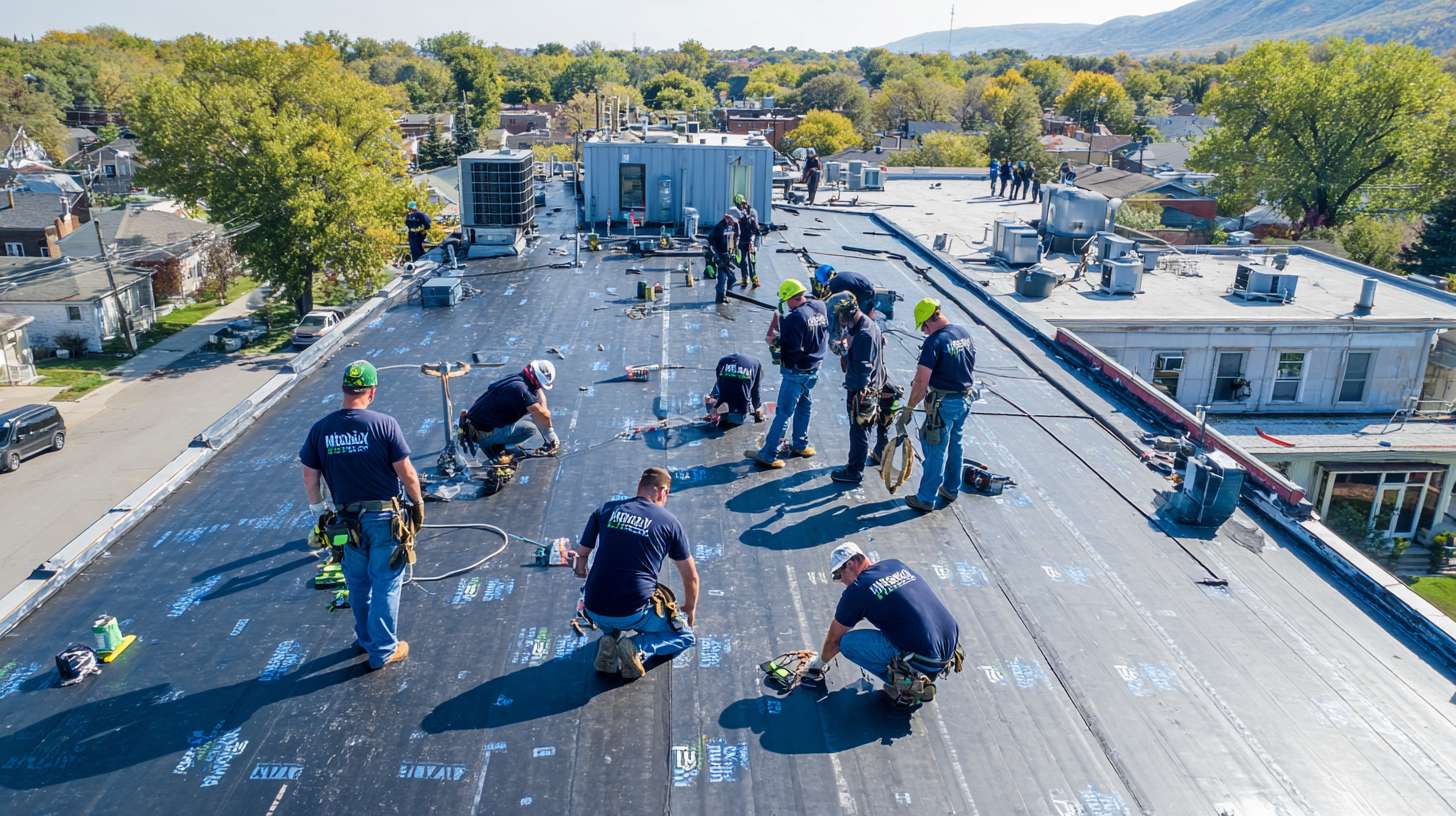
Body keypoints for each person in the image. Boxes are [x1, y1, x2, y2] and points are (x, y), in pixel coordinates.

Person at [299, 360, 424, 670]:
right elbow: (406, 473)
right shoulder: (384, 424)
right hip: (384, 519)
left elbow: (309, 477)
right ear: (372, 391)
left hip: (345, 522)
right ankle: (383, 650)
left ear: (344, 389)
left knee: (357, 582)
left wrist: (319, 512)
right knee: (386, 582)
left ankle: (366, 637)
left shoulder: (321, 429)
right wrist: (418, 503)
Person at [573, 467, 700, 680]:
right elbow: (691, 577)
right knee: (685, 635)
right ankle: (637, 647)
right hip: (632, 612)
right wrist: (690, 609)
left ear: (639, 487)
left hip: (593, 607)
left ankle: (610, 639)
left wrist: (581, 567)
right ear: (662, 492)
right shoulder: (669, 522)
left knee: (605, 604)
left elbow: (581, 556)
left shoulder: (605, 509)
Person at [806, 542, 961, 707]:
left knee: (847, 643)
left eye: (838, 575)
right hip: (950, 646)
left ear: (849, 564)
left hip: (925, 658)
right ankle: (918, 671)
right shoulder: (894, 564)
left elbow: (833, 641)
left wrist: (816, 666)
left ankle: (908, 686)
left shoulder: (857, 590)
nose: (841, 581)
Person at [899, 299, 976, 513]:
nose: (924, 331)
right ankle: (951, 488)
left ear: (927, 322)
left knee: (934, 448)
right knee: (955, 443)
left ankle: (926, 498)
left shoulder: (935, 342)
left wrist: (908, 409)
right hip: (964, 399)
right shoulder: (963, 333)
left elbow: (921, 381)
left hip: (944, 404)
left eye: (923, 327)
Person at [749, 279, 828, 469]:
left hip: (796, 372)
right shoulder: (820, 306)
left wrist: (778, 330)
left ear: (791, 299)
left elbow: (783, 348)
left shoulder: (794, 318)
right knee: (805, 404)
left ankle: (769, 454)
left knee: (784, 412)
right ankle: (801, 444)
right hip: (814, 368)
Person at [829, 296, 887, 485]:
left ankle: (854, 471)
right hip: (873, 383)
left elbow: (863, 370)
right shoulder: (863, 324)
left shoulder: (863, 334)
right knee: (861, 429)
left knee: (859, 429)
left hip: (862, 390)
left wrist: (857, 397)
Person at [459, 360, 560, 460]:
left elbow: (541, 407)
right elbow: (543, 414)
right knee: (530, 430)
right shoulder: (523, 392)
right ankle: (498, 447)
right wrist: (551, 435)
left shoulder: (516, 379)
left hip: (473, 425)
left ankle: (493, 441)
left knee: (526, 421)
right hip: (480, 434)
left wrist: (538, 387)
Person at [705, 352, 764, 429]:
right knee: (736, 419)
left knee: (715, 392)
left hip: (721, 402)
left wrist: (715, 406)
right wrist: (758, 409)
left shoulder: (723, 361)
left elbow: (720, 384)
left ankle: (715, 413)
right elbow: (755, 393)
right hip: (739, 410)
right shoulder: (757, 366)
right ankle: (721, 413)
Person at [708, 210, 739, 304]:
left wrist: (733, 252)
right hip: (721, 256)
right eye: (732, 220)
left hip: (728, 255)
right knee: (722, 279)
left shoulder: (731, 226)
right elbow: (711, 242)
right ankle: (719, 298)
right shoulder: (719, 227)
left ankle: (727, 293)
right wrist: (716, 257)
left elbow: (733, 239)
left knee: (732, 277)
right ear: (727, 218)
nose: (733, 222)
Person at [733, 193, 761, 289]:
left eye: (740, 205)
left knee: (751, 261)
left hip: (750, 240)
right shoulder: (736, 213)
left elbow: (756, 229)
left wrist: (756, 244)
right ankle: (745, 278)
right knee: (742, 261)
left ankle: (754, 279)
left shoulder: (752, 212)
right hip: (741, 241)